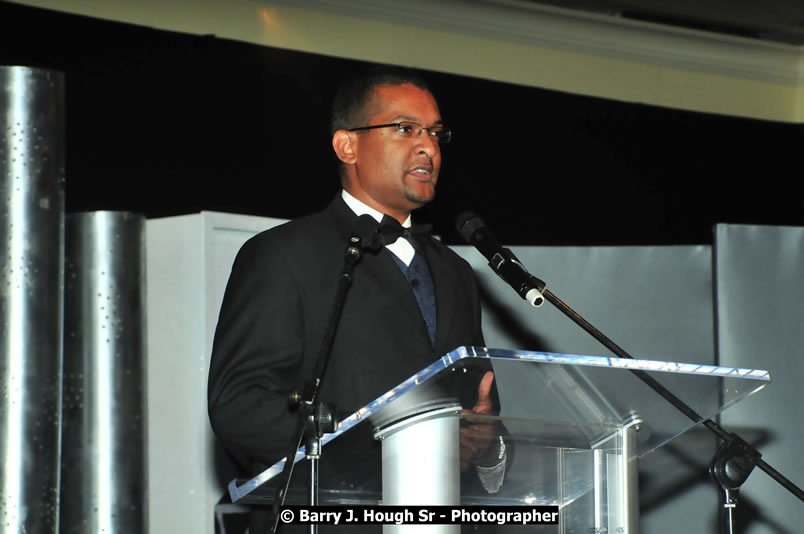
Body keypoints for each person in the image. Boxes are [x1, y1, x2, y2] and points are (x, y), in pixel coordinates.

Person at [207, 66, 504, 530]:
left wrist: (488, 444)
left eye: (436, 133)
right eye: (406, 129)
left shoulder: (456, 272)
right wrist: (382, 447)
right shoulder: (283, 255)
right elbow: (240, 406)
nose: (428, 146)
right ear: (348, 145)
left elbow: (481, 409)